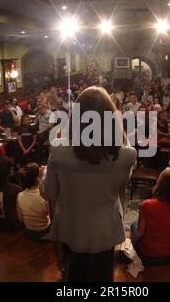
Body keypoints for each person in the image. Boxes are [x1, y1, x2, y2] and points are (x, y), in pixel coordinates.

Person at [40, 86, 137, 282]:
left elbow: (49, 193)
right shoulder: (127, 154)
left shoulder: (59, 150)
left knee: (74, 275)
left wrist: (44, 174)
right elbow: (121, 185)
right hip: (105, 229)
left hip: (71, 227)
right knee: (103, 277)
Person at [131, 168, 170, 265]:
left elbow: (140, 232)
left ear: (160, 184)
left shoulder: (147, 205)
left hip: (149, 256)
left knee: (134, 226)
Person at [0, 156, 24, 230]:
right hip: (13, 225)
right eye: (11, 168)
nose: (12, 170)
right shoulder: (15, 189)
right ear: (7, 172)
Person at [18, 163, 51, 241]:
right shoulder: (44, 196)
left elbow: (21, 219)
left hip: (28, 232)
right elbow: (52, 217)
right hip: (44, 232)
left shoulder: (19, 195)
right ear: (37, 178)